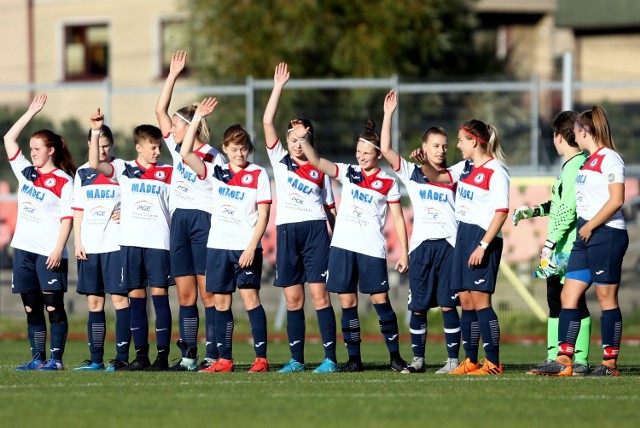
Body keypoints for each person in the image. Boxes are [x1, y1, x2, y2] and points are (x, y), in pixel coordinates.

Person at [298, 118, 410, 373]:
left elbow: (398, 219)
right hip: (343, 247)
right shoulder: (348, 172)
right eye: (358, 152)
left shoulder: (388, 182)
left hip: (371, 249)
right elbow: (316, 161)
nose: (360, 157)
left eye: (366, 153)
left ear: (378, 155)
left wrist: (404, 252)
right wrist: (304, 138)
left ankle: (395, 357)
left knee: (381, 300)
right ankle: (354, 360)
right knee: (347, 302)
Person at [532, 105, 628, 377]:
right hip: (585, 236)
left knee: (605, 297)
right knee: (568, 295)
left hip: (606, 233)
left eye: (577, 131)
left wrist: (593, 225)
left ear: (586, 131)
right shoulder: (587, 161)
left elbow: (617, 200)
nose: (574, 135)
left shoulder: (610, 159)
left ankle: (609, 363)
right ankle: (564, 359)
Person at [180, 98, 272, 373]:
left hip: (246, 249)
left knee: (250, 300)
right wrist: (197, 117)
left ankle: (261, 359)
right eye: (234, 149)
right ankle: (225, 359)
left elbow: (264, 215)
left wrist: (250, 247)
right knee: (220, 302)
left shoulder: (258, 174)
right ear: (226, 150)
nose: (240, 153)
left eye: (244, 148)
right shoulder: (216, 172)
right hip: (218, 246)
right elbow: (186, 152)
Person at [413, 119, 510, 375]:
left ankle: (493, 363)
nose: (457, 145)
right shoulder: (465, 167)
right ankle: (471, 360)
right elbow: (437, 176)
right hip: (463, 235)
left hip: (482, 238)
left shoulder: (495, 171)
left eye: (461, 140)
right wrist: (423, 161)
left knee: (481, 302)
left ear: (475, 142)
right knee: (466, 301)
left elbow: (501, 212)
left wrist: (483, 246)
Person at [263, 63, 338, 373]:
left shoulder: (321, 169)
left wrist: (338, 238)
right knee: (294, 298)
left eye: (302, 138)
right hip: (287, 231)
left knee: (319, 296)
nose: (296, 143)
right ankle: (296, 360)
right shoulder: (280, 160)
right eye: (292, 138)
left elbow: (330, 209)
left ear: (310, 139)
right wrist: (278, 86)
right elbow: (267, 120)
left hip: (316, 231)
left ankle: (330, 359)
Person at [380, 91, 461, 374]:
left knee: (450, 306)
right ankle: (419, 360)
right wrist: (388, 114)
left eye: (444, 146)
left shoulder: (454, 174)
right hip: (421, 248)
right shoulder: (412, 172)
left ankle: (453, 360)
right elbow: (386, 150)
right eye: (435, 145)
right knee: (418, 307)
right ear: (424, 146)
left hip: (449, 246)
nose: (441, 150)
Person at [88, 110, 174, 371]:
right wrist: (95, 131)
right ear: (139, 147)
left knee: (159, 298)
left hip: (159, 243)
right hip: (131, 244)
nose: (157, 152)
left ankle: (161, 356)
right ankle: (141, 356)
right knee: (136, 298)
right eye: (153, 147)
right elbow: (94, 165)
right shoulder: (124, 169)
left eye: (159, 147)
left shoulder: (169, 172)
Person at [155, 50, 225, 371]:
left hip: (204, 221)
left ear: (191, 127)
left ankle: (214, 353)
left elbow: (194, 162)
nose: (173, 128)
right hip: (179, 220)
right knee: (185, 295)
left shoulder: (212, 155)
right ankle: (188, 356)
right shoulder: (175, 145)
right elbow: (160, 109)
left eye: (179, 125)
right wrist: (172, 74)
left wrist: (194, 118)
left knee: (207, 293)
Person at [512, 111, 592, 375]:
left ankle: (576, 359)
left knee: (571, 301)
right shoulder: (571, 166)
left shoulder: (576, 166)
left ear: (558, 137)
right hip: (561, 247)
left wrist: (549, 243)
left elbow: (569, 211)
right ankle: (556, 356)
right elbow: (558, 204)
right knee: (557, 300)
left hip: (568, 247)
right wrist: (533, 211)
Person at [4, 93, 76, 371]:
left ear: (51, 151)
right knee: (31, 308)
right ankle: (37, 359)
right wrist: (30, 113)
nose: (32, 153)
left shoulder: (63, 181)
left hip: (49, 252)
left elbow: (67, 218)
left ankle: (55, 360)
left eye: (37, 149)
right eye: (31, 148)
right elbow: (9, 139)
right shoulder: (26, 172)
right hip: (22, 249)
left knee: (53, 307)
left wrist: (58, 248)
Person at [72, 125, 131, 371]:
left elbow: (138, 200)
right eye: (99, 145)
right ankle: (95, 359)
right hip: (89, 246)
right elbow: (78, 211)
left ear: (113, 144)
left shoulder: (122, 169)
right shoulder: (82, 173)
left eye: (107, 145)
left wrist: (126, 213)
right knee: (94, 304)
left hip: (115, 246)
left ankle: (120, 358)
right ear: (90, 145)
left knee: (119, 300)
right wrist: (77, 241)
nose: (103, 150)